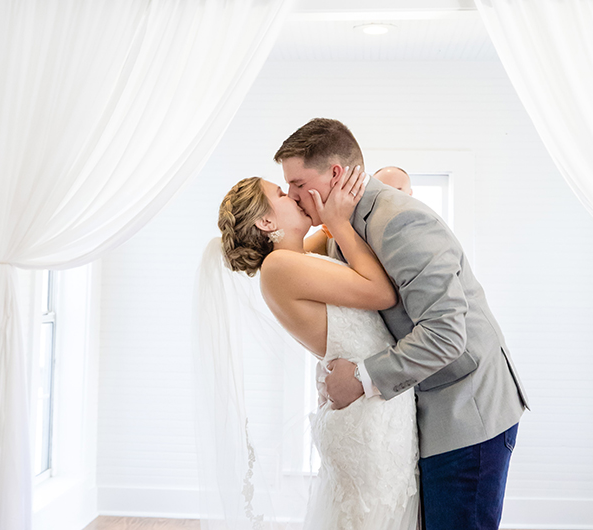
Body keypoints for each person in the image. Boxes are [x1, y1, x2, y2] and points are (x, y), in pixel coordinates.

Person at [274, 118, 529, 530]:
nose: (292, 196)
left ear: (335, 174)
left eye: (298, 184)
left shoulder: (400, 220)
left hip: (467, 409)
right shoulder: (341, 228)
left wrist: (359, 378)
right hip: (423, 408)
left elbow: (446, 335)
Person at [217, 168, 420, 530]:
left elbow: (332, 236)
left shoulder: (296, 257)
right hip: (365, 422)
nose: (293, 196)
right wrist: (338, 221)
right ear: (266, 221)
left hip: (378, 409)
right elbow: (381, 292)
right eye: (281, 194)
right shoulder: (278, 266)